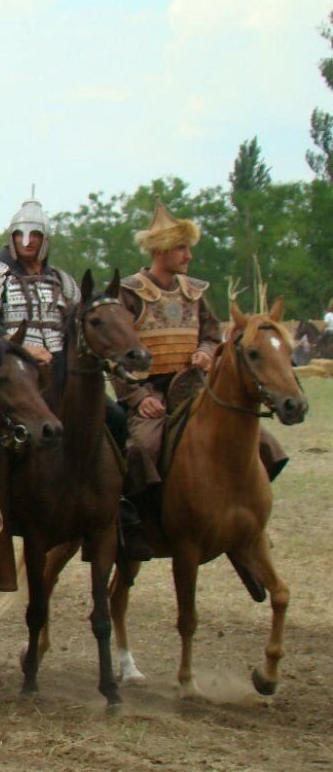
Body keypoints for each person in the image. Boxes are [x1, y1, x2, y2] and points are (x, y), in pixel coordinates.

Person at [115, 201, 288, 550]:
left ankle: (246, 519)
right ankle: (137, 523)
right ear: (161, 249)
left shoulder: (194, 291)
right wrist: (138, 398)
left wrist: (206, 351)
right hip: (150, 393)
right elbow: (116, 353)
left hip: (194, 387)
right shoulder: (129, 292)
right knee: (143, 448)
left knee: (266, 443)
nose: (188, 255)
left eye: (187, 247)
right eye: (182, 247)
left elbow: (212, 334)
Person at [0, 197, 79, 362]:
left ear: (45, 239)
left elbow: (79, 325)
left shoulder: (62, 281)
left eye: (35, 234)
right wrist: (23, 348)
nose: (28, 241)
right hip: (7, 365)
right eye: (21, 234)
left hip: (59, 365)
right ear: (12, 237)